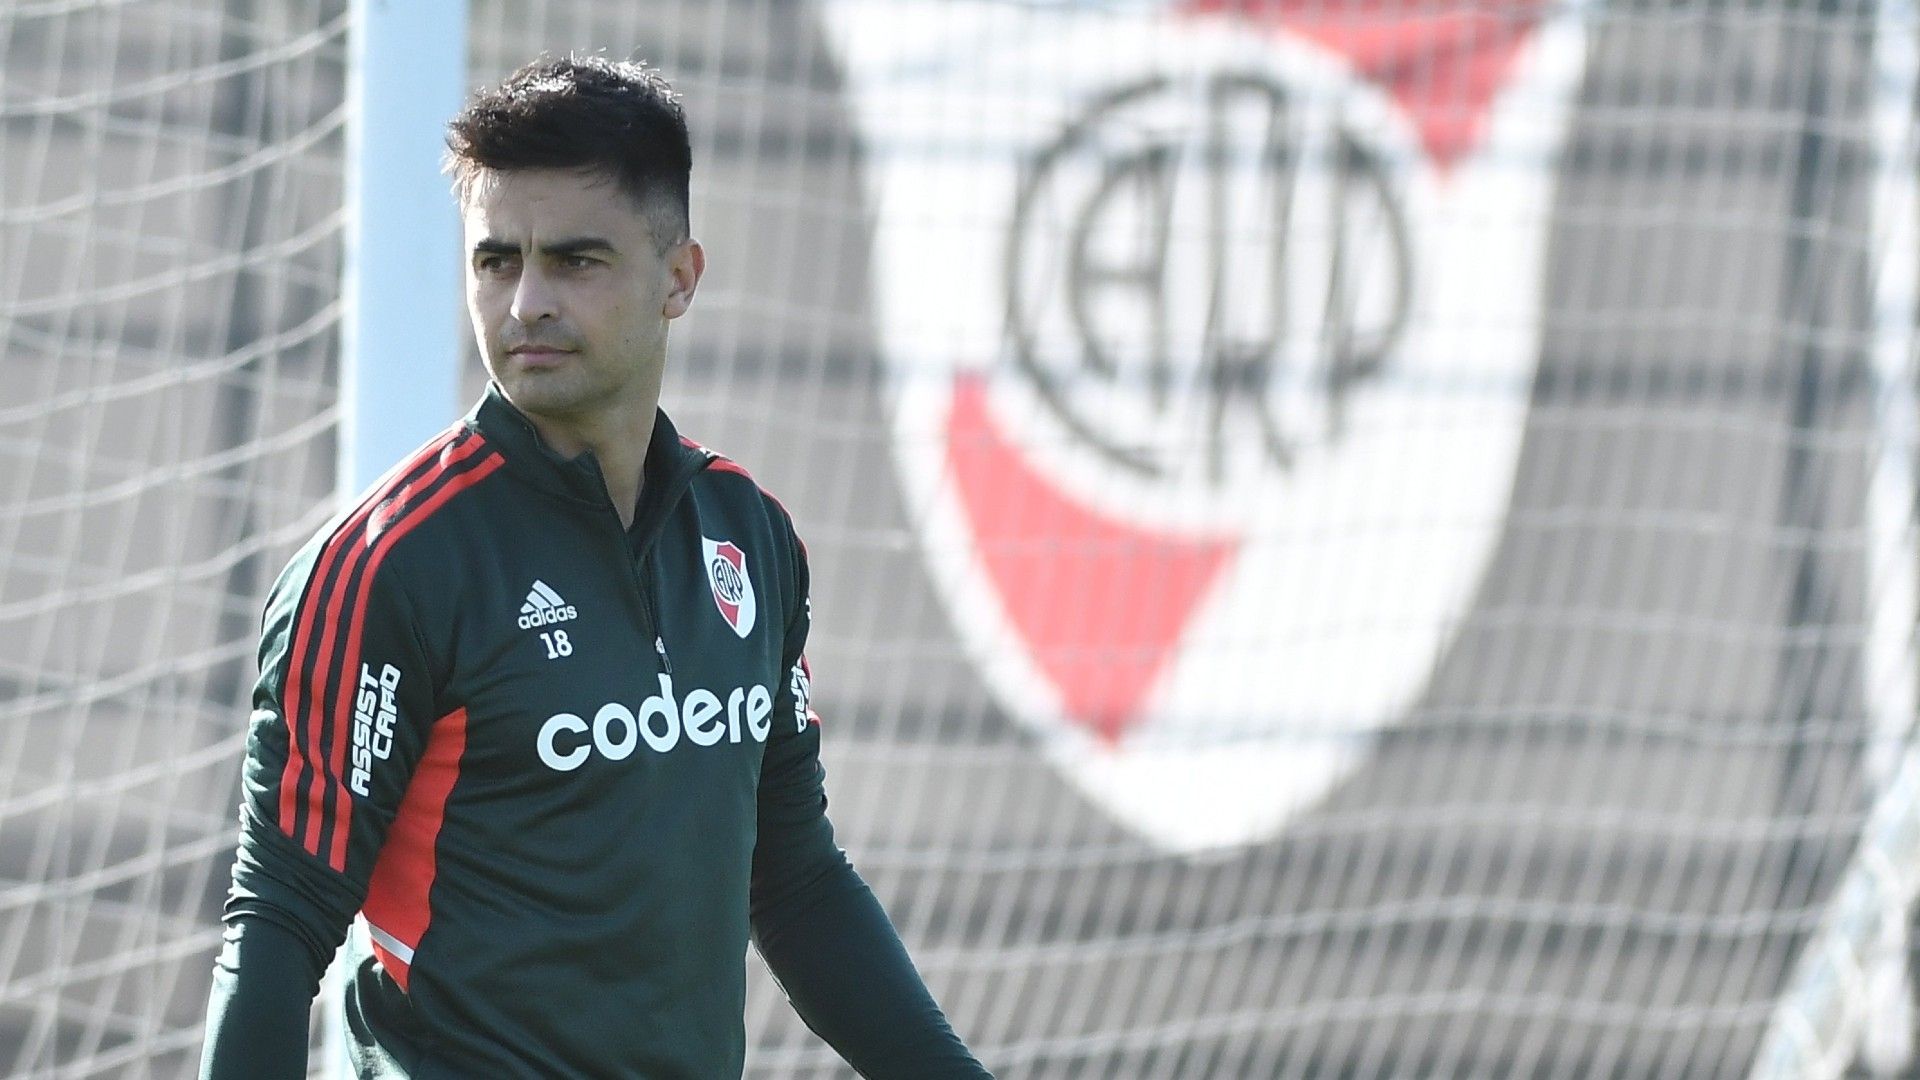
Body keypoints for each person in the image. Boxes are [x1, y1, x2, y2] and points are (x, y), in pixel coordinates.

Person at [198, 55, 991, 1079]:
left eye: (577, 261)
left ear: (680, 277)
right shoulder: (388, 566)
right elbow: (279, 923)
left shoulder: (749, 536)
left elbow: (792, 882)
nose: (527, 302)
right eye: (496, 261)